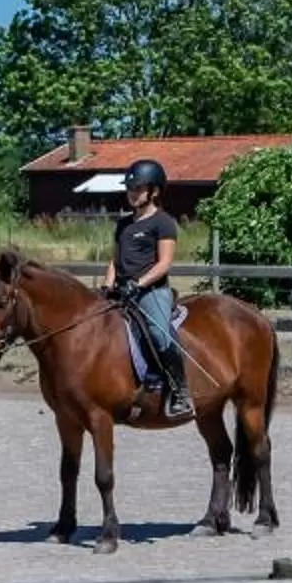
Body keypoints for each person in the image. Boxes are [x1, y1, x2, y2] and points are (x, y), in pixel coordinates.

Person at [99, 160, 192, 419]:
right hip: (123, 290)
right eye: (130, 189)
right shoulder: (123, 224)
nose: (132, 193)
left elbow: (164, 263)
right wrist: (107, 286)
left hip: (151, 291)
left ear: (154, 191)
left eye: (138, 189)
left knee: (159, 335)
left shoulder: (163, 222)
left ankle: (180, 391)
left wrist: (137, 284)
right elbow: (115, 261)